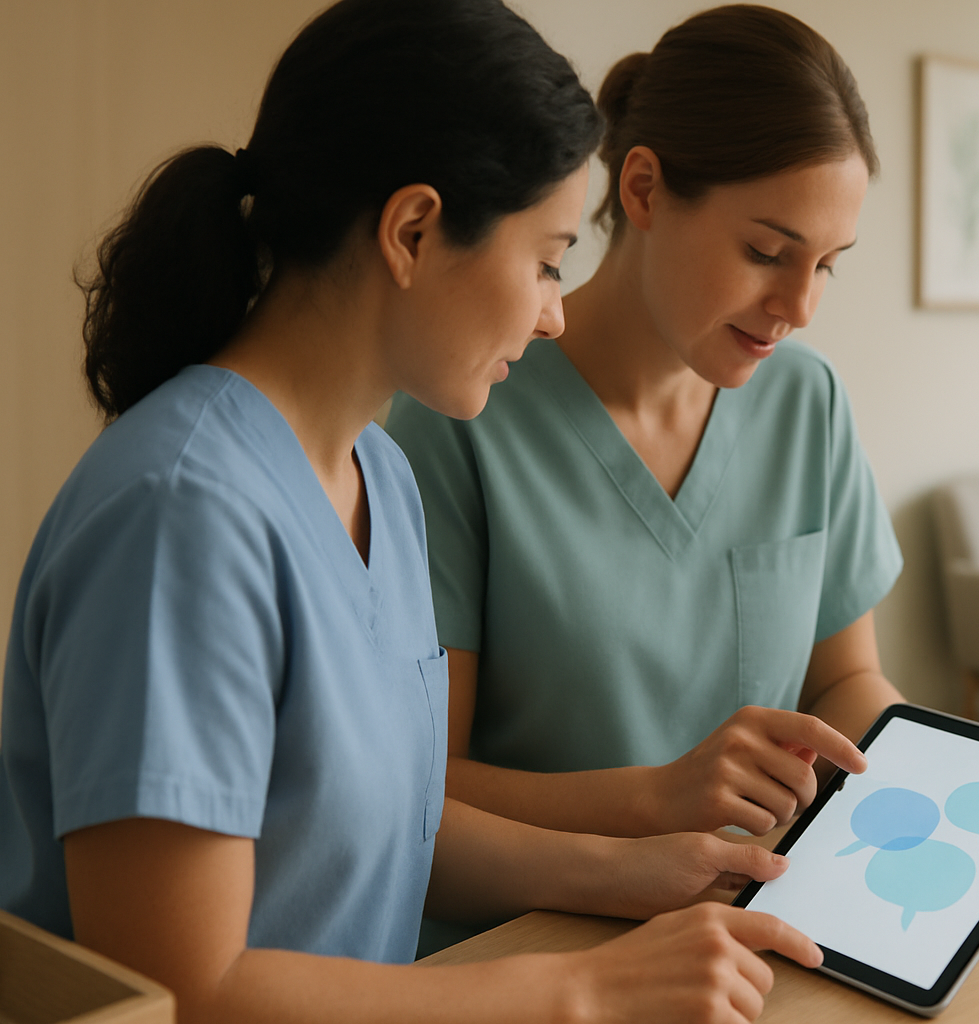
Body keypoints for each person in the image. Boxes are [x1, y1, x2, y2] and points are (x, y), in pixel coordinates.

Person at [0, 1, 836, 1021]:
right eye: (544, 259)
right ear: (412, 231)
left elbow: (394, 828)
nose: (553, 310)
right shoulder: (180, 518)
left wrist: (638, 872)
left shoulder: (381, 480)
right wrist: (582, 987)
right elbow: (185, 989)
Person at [385, 4, 902, 845]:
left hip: (750, 923)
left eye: (826, 267)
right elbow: (418, 783)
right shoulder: (459, 415)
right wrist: (657, 804)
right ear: (644, 189)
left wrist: (938, 775)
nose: (799, 307)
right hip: (525, 941)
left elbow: (844, 682)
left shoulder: (808, 403)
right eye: (768, 253)